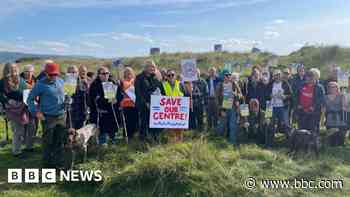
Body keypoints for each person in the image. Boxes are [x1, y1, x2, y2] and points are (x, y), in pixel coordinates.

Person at [27, 63, 66, 168]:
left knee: (59, 140)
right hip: (48, 117)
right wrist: (36, 112)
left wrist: (68, 100)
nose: (53, 77)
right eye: (51, 75)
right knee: (48, 141)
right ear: (46, 73)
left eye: (55, 74)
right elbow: (29, 99)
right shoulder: (40, 84)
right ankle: (47, 165)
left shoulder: (61, 81)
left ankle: (58, 163)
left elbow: (64, 95)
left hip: (62, 116)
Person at [0, 63, 31, 157]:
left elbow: (26, 89)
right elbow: (0, 95)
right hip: (12, 109)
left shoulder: (20, 80)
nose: (14, 70)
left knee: (21, 129)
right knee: (17, 130)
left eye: (15, 68)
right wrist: (7, 100)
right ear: (7, 70)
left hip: (22, 107)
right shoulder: (2, 82)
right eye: (11, 69)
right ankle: (16, 152)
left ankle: (20, 148)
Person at [135, 60, 165, 142]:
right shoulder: (139, 77)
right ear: (145, 67)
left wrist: (164, 101)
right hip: (144, 105)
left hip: (156, 105)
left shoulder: (156, 77)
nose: (152, 68)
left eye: (153, 67)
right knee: (144, 122)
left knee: (155, 123)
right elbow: (138, 92)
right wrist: (145, 103)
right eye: (149, 66)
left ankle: (155, 138)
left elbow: (161, 91)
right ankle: (143, 140)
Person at [89, 66, 119, 145]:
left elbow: (119, 94)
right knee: (102, 129)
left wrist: (116, 100)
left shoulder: (113, 82)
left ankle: (113, 142)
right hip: (100, 111)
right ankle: (103, 144)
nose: (105, 75)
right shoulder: (94, 84)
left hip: (112, 110)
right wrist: (102, 100)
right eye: (103, 73)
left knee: (113, 127)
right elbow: (92, 99)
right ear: (99, 75)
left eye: (107, 73)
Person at [216, 70, 242, 144]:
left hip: (232, 108)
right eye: (226, 75)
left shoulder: (234, 84)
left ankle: (232, 142)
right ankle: (218, 140)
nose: (227, 77)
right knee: (221, 125)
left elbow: (240, 95)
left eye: (229, 75)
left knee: (232, 125)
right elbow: (217, 98)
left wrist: (235, 94)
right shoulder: (220, 85)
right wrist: (220, 110)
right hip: (223, 108)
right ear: (223, 77)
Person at [162, 69, 184, 143]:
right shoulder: (163, 85)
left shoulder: (180, 84)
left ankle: (179, 143)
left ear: (175, 76)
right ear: (166, 77)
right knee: (170, 129)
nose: (171, 76)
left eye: (172, 75)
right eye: (169, 75)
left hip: (178, 110)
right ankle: (171, 144)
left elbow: (185, 94)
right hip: (168, 111)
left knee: (179, 128)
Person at [117, 67, 139, 141]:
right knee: (127, 123)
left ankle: (134, 136)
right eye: (127, 73)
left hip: (135, 105)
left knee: (135, 122)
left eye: (130, 72)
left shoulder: (135, 81)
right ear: (124, 74)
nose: (128, 74)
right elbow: (119, 94)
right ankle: (127, 137)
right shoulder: (122, 82)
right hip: (126, 106)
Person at [270, 70, 292, 135]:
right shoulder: (271, 83)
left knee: (285, 123)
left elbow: (291, 95)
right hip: (272, 107)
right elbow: (266, 92)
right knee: (271, 123)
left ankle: (289, 138)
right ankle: (271, 138)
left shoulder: (285, 83)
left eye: (279, 75)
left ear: (281, 75)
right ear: (273, 76)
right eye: (275, 75)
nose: (277, 77)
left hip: (283, 107)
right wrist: (269, 95)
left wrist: (285, 96)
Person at [70, 65, 90, 129]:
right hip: (71, 113)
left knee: (80, 132)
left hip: (82, 112)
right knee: (70, 133)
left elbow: (87, 98)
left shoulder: (86, 82)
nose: (73, 74)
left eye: (74, 72)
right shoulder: (66, 83)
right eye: (71, 72)